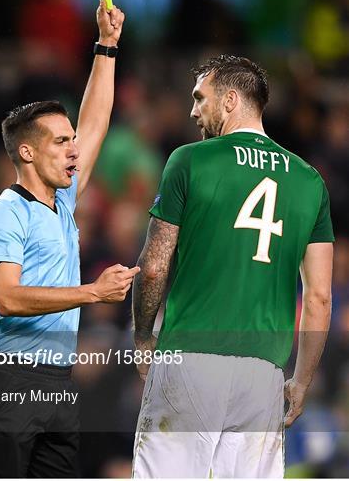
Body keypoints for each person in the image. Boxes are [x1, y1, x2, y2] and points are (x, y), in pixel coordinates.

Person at [132, 55, 334, 478]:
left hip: (190, 356)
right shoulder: (309, 181)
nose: (192, 111)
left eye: (199, 98)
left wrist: (143, 335)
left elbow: (153, 267)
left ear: (229, 101)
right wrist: (301, 381)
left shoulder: (190, 160)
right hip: (263, 375)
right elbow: (318, 296)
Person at [0, 0, 139, 478]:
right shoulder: (4, 213)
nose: (74, 149)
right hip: (8, 380)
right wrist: (93, 293)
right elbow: (7, 298)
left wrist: (106, 46)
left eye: (71, 140)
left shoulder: (61, 204)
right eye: (60, 142)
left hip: (55, 383)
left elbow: (97, 123)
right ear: (26, 152)